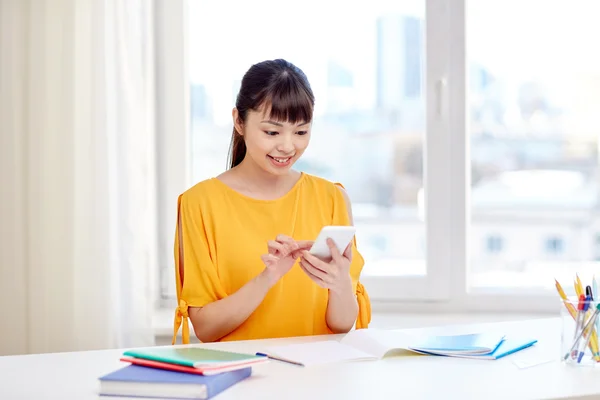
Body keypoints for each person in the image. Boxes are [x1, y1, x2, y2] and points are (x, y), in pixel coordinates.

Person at [172, 59, 371, 344]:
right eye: (272, 132)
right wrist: (268, 277)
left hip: (317, 378)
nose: (288, 146)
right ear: (239, 122)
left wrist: (339, 283)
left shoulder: (332, 198)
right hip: (241, 377)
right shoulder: (199, 204)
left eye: (301, 132)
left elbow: (341, 326)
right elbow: (206, 328)